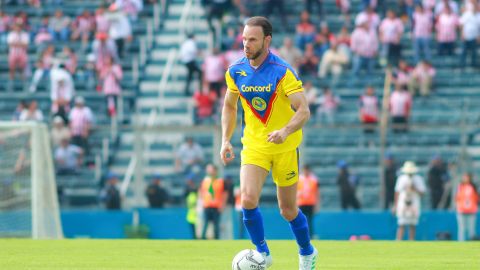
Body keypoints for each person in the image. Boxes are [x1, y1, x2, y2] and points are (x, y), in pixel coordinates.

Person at [220, 17, 317, 269]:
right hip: (254, 146)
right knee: (248, 199)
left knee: (287, 210)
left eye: (252, 39)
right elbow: (229, 107)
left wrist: (285, 131)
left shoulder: (282, 72)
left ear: (267, 40)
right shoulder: (235, 71)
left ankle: (307, 252)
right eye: (244, 39)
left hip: (285, 147)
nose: (246, 44)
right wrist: (225, 140)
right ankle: (262, 253)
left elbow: (304, 111)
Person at [393, 161, 426, 241]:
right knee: (401, 224)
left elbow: (422, 193)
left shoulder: (418, 179)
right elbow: (397, 192)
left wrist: (414, 188)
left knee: (413, 224)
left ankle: (411, 241)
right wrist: (395, 205)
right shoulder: (401, 178)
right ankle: (399, 240)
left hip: (414, 202)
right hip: (403, 203)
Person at [199, 164, 227, 240]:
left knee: (216, 225)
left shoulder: (221, 181)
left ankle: (216, 240)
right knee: (205, 224)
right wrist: (201, 203)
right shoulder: (205, 181)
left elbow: (225, 194)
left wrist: (222, 206)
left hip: (216, 206)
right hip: (207, 205)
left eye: (211, 170)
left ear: (215, 171)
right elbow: (201, 192)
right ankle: (202, 240)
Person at [297, 164, 320, 238]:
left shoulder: (314, 179)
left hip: (311, 203)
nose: (306, 171)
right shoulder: (299, 179)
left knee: (310, 221)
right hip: (301, 202)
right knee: (301, 220)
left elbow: (317, 192)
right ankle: (301, 235)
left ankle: (310, 235)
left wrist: (317, 205)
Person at [455, 173, 479, 241]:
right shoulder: (460, 187)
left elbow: (476, 198)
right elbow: (457, 197)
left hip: (471, 210)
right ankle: (461, 244)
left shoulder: (474, 187)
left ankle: (471, 243)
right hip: (462, 209)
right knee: (462, 229)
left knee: (471, 229)